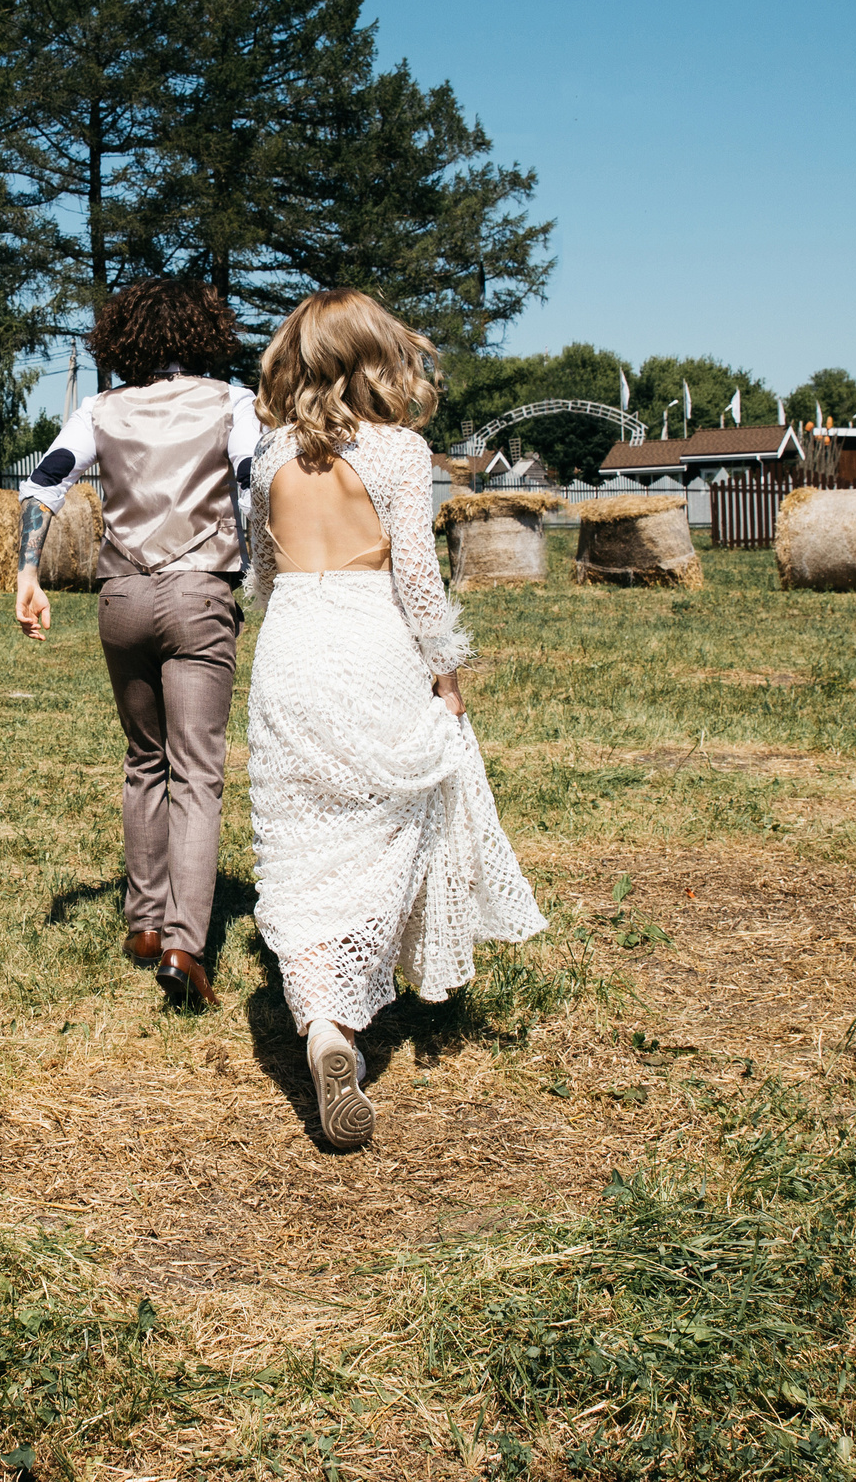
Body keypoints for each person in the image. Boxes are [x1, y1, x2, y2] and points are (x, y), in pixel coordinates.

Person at [246, 288, 546, 1147]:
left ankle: (320, 1021)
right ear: (375, 358)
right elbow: (416, 575)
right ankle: (346, 1010)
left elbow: (261, 573)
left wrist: (292, 613)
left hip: (292, 646)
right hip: (371, 639)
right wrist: (447, 673)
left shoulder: (268, 456)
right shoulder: (399, 452)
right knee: (385, 832)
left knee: (297, 846)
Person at [16, 280, 259, 1005]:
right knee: (197, 772)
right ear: (205, 333)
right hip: (199, 594)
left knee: (143, 760)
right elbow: (253, 487)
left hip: (120, 598)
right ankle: (186, 946)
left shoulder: (100, 409)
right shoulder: (232, 402)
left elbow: (43, 483)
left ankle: (144, 924)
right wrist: (260, 574)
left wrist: (28, 574)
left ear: (123, 339)